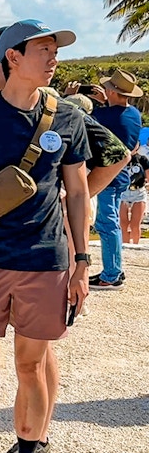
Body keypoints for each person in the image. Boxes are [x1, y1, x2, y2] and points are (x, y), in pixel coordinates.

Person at [0, 27, 129, 453]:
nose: (53, 58)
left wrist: (81, 261)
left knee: (32, 365)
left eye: (55, 51)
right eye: (44, 49)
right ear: (13, 58)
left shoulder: (69, 118)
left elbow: (78, 193)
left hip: (46, 261)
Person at [89, 69, 142, 290]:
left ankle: (111, 275)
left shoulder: (103, 116)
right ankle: (114, 270)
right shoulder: (134, 115)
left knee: (106, 224)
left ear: (111, 91)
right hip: (121, 175)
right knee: (112, 224)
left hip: (105, 177)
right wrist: (106, 102)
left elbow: (88, 122)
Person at [119, 142, 149, 244]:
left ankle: (135, 244)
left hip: (139, 192)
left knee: (135, 224)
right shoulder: (120, 158)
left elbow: (148, 177)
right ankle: (125, 244)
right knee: (123, 223)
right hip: (124, 192)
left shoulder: (143, 159)